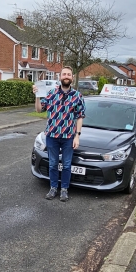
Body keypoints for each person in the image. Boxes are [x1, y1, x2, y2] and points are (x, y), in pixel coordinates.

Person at [33, 66, 86, 202]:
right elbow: (39, 110)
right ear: (60, 77)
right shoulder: (51, 93)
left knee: (67, 165)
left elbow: (80, 116)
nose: (66, 76)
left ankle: (64, 190)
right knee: (53, 164)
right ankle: (53, 188)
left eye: (69, 74)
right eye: (64, 74)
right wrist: (37, 96)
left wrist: (77, 136)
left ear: (72, 77)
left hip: (68, 137)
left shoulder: (77, 96)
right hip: (52, 136)